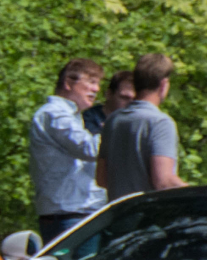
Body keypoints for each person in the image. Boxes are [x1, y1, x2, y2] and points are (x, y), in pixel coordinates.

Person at [28, 58, 106, 241]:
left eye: (98, 84)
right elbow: (89, 149)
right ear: (68, 83)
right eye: (91, 82)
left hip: (78, 213)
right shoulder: (53, 114)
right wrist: (116, 127)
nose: (96, 89)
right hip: (69, 215)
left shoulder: (72, 117)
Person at [99, 53, 185, 199]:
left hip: (119, 216)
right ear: (163, 85)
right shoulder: (160, 123)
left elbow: (101, 179)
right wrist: (200, 196)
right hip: (149, 217)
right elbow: (163, 182)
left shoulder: (114, 120)